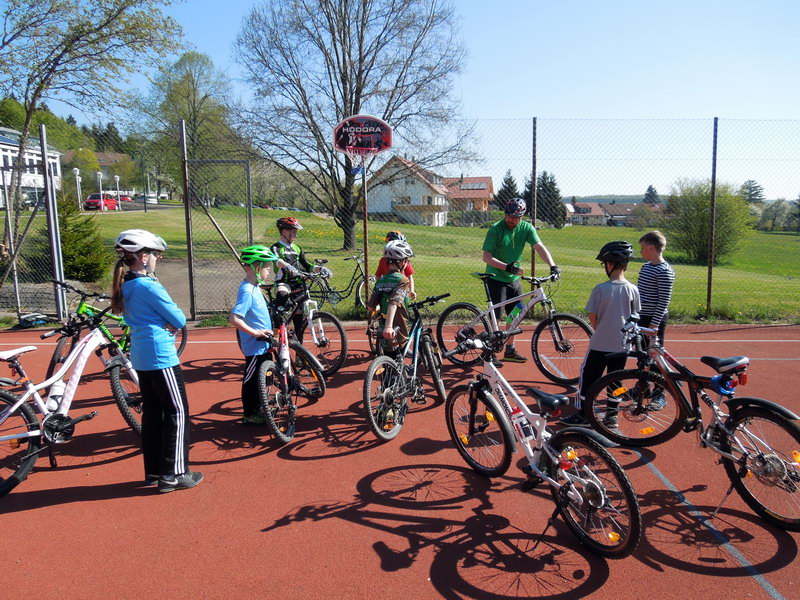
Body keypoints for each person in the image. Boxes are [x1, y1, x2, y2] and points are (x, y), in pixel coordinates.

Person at [110, 229, 202, 493]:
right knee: (178, 412)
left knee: (153, 414)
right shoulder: (148, 285)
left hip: (141, 355)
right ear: (142, 257)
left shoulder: (126, 283)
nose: (157, 259)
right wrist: (167, 319)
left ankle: (154, 472)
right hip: (161, 356)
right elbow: (179, 319)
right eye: (154, 254)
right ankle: (176, 473)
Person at [560, 241, 640, 427]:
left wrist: (602, 329)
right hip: (622, 345)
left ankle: (584, 414)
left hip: (599, 344)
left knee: (588, 377)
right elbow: (635, 316)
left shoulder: (600, 289)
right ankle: (611, 416)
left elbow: (593, 318)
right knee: (616, 379)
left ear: (609, 264)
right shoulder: (633, 290)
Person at [481, 197, 560, 363]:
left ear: (522, 217)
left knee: (516, 314)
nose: (510, 220)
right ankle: (489, 351)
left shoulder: (526, 228)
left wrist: (553, 265)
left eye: (514, 217)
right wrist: (506, 267)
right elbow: (486, 257)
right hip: (495, 278)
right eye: (508, 216)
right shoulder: (496, 229)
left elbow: (539, 247)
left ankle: (509, 349)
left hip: (514, 279)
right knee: (496, 317)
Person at [229, 245, 279, 425]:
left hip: (263, 344)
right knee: (250, 381)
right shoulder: (247, 290)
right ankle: (249, 413)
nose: (268, 271)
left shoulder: (255, 287)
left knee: (262, 377)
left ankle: (260, 406)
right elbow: (234, 318)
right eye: (266, 267)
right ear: (255, 267)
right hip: (254, 346)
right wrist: (255, 332)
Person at [637, 230, 675, 410]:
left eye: (643, 248)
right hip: (642, 317)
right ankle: (643, 387)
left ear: (652, 248)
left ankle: (661, 392)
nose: (641, 252)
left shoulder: (665, 271)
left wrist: (654, 325)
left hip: (655, 319)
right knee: (642, 355)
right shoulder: (646, 267)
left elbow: (663, 301)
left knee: (654, 355)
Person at [270, 217, 322, 341]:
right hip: (284, 282)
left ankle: (300, 355)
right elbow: (277, 260)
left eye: (295, 232)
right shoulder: (276, 247)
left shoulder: (297, 248)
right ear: (284, 231)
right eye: (292, 232)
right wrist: (287, 266)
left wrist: (319, 269)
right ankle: (276, 331)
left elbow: (307, 265)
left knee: (299, 320)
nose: (295, 235)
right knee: (282, 295)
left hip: (298, 284)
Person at [366, 240, 414, 356]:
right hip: (397, 326)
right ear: (401, 262)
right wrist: (389, 326)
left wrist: (380, 307)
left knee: (389, 360)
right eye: (407, 260)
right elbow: (394, 302)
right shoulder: (402, 280)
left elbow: (371, 307)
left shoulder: (381, 280)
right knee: (400, 354)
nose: (407, 263)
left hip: (383, 326)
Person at [375, 231, 416, 299]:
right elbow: (378, 275)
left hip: (402, 287)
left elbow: (409, 276)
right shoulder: (383, 261)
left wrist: (411, 290)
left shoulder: (405, 262)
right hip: (388, 289)